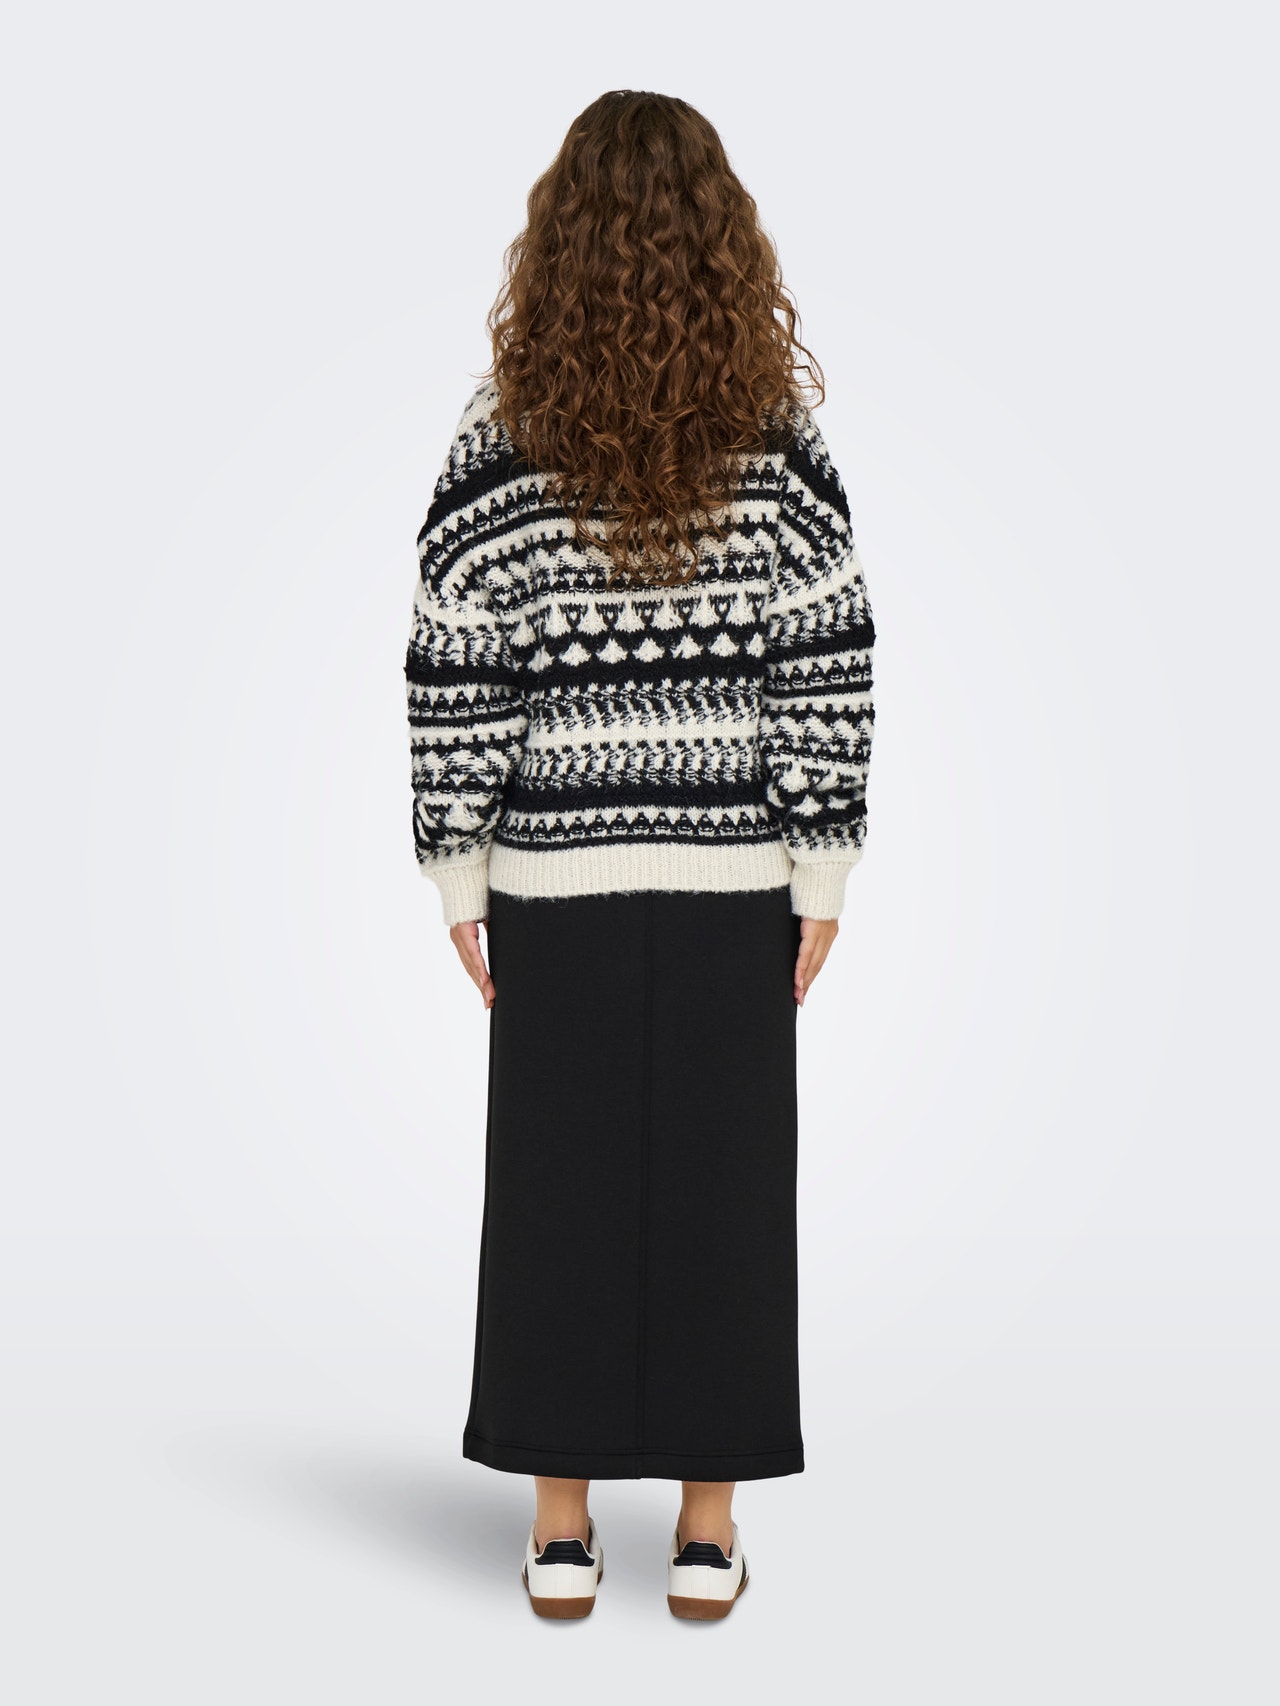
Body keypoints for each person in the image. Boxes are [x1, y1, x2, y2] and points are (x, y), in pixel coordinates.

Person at [404, 89, 876, 1621]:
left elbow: (455, 665)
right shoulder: (778, 444)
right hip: (736, 882)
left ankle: (559, 1525)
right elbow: (827, 658)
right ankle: (705, 1528)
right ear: (724, 245)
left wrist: (459, 870)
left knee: (556, 1189)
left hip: (555, 881)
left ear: (557, 246)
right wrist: (821, 865)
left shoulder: (499, 440)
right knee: (727, 1193)